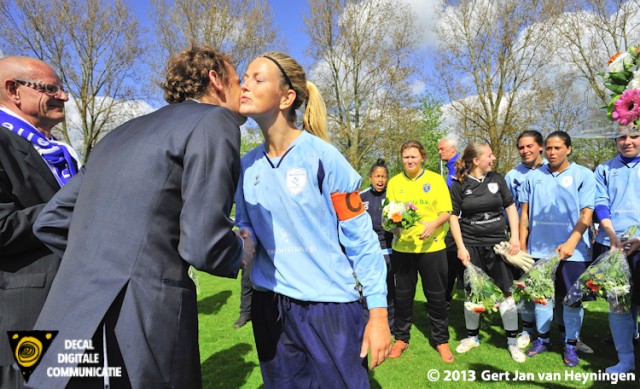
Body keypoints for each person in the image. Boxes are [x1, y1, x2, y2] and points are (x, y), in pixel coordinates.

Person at [27, 46, 254, 389]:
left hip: (62, 319)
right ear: (216, 80)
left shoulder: (119, 134)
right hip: (141, 323)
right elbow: (203, 243)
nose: (244, 89)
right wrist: (240, 252)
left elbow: (50, 221)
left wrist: (100, 262)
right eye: (238, 80)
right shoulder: (214, 120)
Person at [235, 52, 390, 388]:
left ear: (286, 97)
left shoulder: (324, 158)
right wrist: (234, 244)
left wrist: (378, 313)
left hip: (329, 310)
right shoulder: (246, 167)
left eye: (256, 78)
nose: (243, 85)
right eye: (244, 77)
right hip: (270, 309)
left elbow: (362, 239)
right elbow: (247, 230)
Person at [0, 56, 79, 389]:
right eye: (50, 88)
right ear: (13, 91)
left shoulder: (59, 152)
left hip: (76, 303)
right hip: (30, 314)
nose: (63, 97)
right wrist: (79, 204)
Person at [519, 131, 596, 367]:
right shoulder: (533, 177)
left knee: (572, 301)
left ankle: (570, 344)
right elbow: (524, 215)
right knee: (543, 299)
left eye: (558, 148)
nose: (552, 153)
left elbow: (587, 213)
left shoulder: (583, 174)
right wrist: (522, 246)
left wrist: (572, 242)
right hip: (539, 251)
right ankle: (542, 340)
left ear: (569, 149)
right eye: (549, 148)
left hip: (574, 252)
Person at [448, 142, 525, 362]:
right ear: (476, 160)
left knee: (506, 291)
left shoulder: (497, 179)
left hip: (498, 245)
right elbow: (453, 216)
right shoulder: (459, 184)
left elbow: (510, 207)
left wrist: (515, 237)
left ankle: (512, 341)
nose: (493, 159)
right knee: (473, 292)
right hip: (471, 245)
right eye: (489, 155)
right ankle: (472, 337)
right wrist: (461, 247)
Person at [386, 140, 454, 362]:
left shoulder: (435, 180)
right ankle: (401, 339)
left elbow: (446, 212)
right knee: (403, 297)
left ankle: (441, 341)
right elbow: (389, 213)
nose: (410, 160)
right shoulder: (395, 182)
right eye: (406, 157)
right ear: (401, 159)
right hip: (403, 249)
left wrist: (432, 225)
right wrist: (392, 225)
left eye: (414, 156)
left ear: (422, 157)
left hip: (432, 248)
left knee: (436, 297)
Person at [592, 126, 640, 374]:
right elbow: (600, 204)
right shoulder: (604, 169)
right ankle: (626, 360)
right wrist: (611, 236)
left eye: (634, 136)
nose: (627, 141)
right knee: (618, 302)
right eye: (622, 137)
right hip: (613, 245)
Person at [361, 158, 395, 334]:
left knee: (388, 289)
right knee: (368, 288)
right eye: (377, 176)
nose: (380, 180)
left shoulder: (393, 197)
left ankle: (391, 325)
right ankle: (368, 323)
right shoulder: (361, 197)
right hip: (368, 252)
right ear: (370, 177)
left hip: (388, 250)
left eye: (383, 176)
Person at [439, 137, 465, 304]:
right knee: (451, 260)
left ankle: (447, 299)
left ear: (452, 149)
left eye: (442, 149)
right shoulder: (450, 167)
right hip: (455, 220)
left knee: (453, 259)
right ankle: (446, 298)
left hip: (462, 221)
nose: (439, 152)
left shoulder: (460, 166)